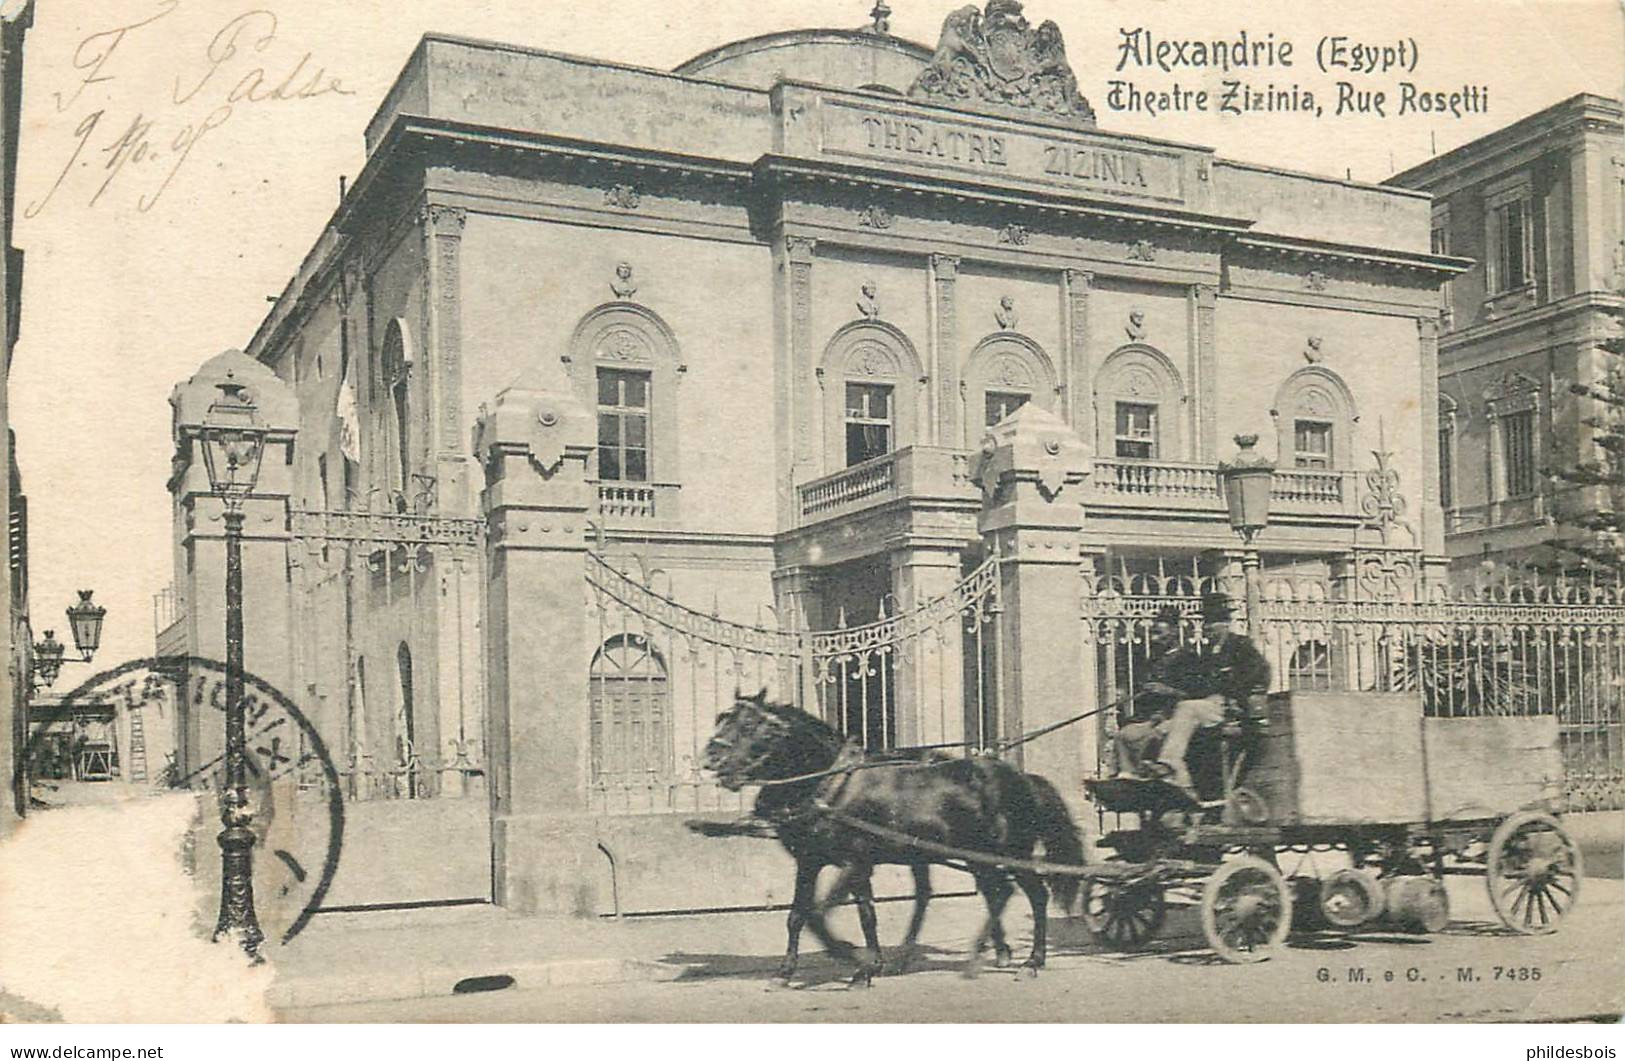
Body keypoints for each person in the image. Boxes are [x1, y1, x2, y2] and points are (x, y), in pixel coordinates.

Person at [1150, 593, 1271, 797]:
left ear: (1225, 623)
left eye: (1212, 622)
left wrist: (1235, 696)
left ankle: (1170, 765)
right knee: (1162, 728)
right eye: (1206, 622)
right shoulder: (1207, 652)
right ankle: (1182, 786)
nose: (1207, 627)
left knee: (1187, 708)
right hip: (1208, 706)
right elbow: (1199, 685)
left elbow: (1260, 673)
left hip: (1230, 708)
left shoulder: (1240, 646)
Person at [1111, 607, 1198, 778]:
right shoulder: (1154, 659)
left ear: (1173, 632)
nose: (1154, 638)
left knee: (1153, 738)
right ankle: (1127, 776)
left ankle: (1159, 778)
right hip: (1152, 718)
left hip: (1177, 718)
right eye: (1152, 633)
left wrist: (1167, 691)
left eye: (1159, 633)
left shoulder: (1189, 658)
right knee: (1124, 736)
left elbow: (1195, 695)